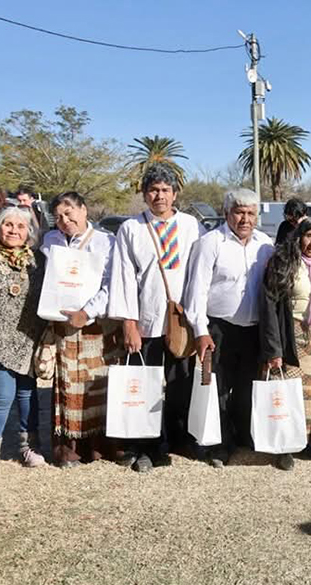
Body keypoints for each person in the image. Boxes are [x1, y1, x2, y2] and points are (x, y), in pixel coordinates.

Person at [108, 164, 204, 473]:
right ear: (144, 194)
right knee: (145, 385)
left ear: (175, 194)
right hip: (146, 321)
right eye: (153, 190)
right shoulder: (131, 228)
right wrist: (129, 323)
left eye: (165, 190)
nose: (159, 195)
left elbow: (201, 273)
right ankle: (146, 447)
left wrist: (199, 319)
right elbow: (123, 277)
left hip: (182, 322)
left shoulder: (191, 226)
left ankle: (177, 439)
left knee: (180, 383)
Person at [183, 188, 274, 468]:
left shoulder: (265, 244)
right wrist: (200, 330)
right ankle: (220, 444)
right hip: (219, 328)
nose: (245, 219)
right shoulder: (210, 243)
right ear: (226, 213)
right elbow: (196, 290)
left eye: (250, 213)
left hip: (253, 330)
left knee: (247, 386)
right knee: (219, 388)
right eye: (239, 212)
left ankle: (243, 434)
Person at [40, 192, 123, 467]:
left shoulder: (105, 242)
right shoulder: (50, 241)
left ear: (84, 210)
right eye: (58, 217)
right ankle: (69, 450)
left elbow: (111, 285)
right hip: (62, 325)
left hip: (96, 325)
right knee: (68, 387)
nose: (64, 220)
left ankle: (102, 447)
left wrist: (86, 313)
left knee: (97, 386)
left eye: (69, 213)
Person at [260, 217, 311, 470]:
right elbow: (269, 307)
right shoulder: (282, 263)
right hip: (290, 335)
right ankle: (285, 447)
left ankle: (306, 440)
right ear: (299, 236)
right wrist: (274, 349)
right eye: (309, 236)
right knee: (287, 391)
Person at [0, 207, 47, 479]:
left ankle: (29, 448)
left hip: (29, 340)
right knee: (0, 397)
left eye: (20, 227)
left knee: (27, 395)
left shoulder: (38, 262)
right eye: (8, 224)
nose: (13, 230)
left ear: (29, 233)